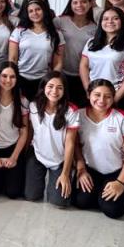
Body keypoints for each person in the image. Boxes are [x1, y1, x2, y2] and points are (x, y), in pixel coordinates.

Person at [73, 79, 124, 219]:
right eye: (97, 95)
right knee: (81, 202)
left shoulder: (122, 118)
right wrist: (81, 169)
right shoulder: (78, 115)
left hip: (117, 171)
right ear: (88, 95)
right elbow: (75, 144)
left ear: (113, 98)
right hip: (91, 169)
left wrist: (121, 182)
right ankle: (100, 191)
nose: (102, 100)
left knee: (112, 210)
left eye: (107, 96)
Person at [24, 72, 78, 206]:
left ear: (64, 90)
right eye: (51, 86)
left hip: (59, 160)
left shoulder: (71, 111)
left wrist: (65, 173)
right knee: (31, 196)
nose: (54, 91)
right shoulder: (33, 106)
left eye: (59, 87)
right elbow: (30, 132)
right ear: (43, 87)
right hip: (38, 155)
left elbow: (70, 143)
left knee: (59, 202)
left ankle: (65, 177)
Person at [0, 62, 31, 199]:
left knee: (13, 193)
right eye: (4, 76)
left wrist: (14, 157)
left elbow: (24, 132)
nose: (8, 80)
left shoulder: (23, 101)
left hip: (13, 148)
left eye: (12, 77)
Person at [80, 6, 124, 117]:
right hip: (95, 93)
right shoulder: (91, 42)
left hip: (120, 95)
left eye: (115, 18)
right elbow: (83, 65)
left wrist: (115, 97)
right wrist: (88, 89)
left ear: (122, 21)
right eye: (106, 19)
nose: (110, 22)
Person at [9, 0, 64, 100]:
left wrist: (51, 80)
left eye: (38, 9)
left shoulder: (56, 34)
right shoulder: (19, 31)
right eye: (31, 11)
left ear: (44, 10)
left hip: (43, 79)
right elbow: (12, 58)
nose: (34, 13)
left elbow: (58, 62)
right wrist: (13, 78)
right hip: (20, 77)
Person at [55, 0, 96, 107]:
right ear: (70, 5)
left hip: (83, 75)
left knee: (80, 108)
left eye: (83, 2)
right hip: (62, 73)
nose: (79, 5)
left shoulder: (95, 27)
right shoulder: (60, 21)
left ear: (90, 4)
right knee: (62, 107)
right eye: (75, 2)